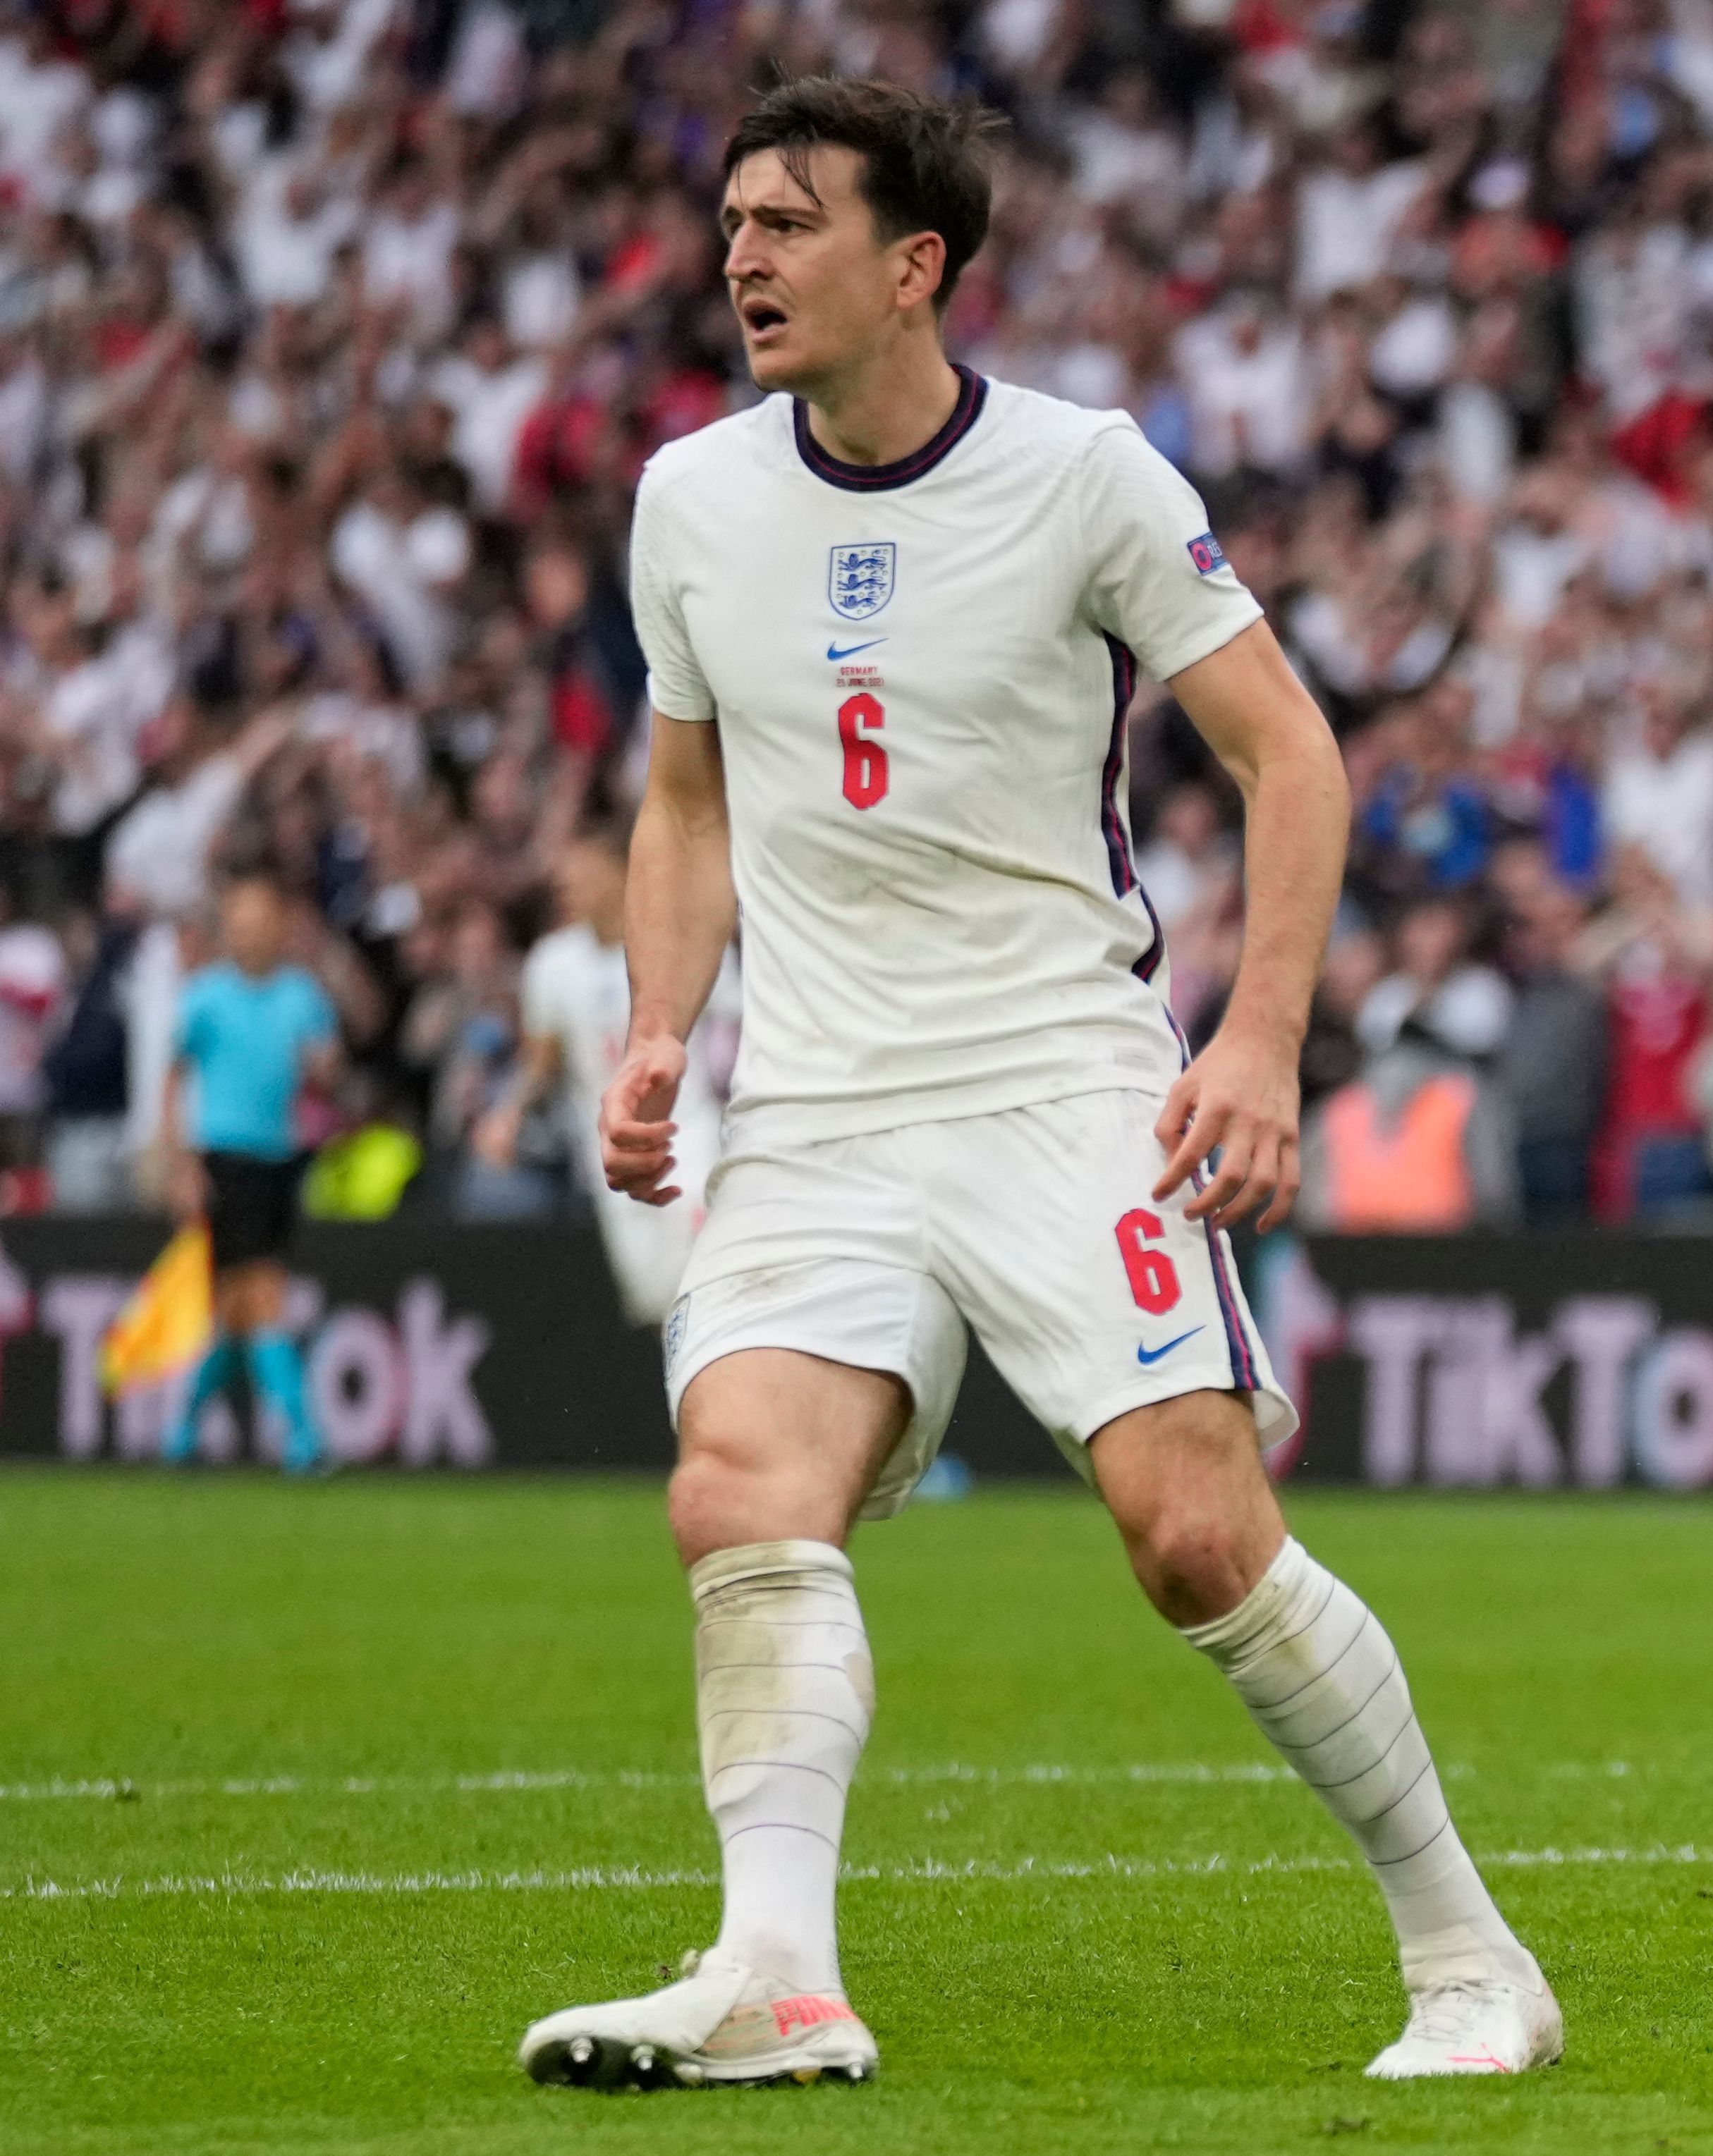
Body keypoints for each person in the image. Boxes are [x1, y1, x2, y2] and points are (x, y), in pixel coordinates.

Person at [516, 78, 1557, 2093]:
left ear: (914, 266)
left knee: (1190, 1533)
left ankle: (1470, 1954)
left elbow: (1292, 754)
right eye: (733, 219)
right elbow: (681, 795)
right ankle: (775, 1978)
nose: (740, 255)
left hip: (1059, 1078)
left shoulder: (1088, 475)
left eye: (790, 221)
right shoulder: (687, 500)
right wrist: (661, 1021)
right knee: (740, 1487)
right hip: (815, 1101)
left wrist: (1257, 1037)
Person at [488, 827, 738, 1323]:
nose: (570, 885)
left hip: (692, 1143)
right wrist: (508, 1115)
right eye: (565, 877)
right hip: (612, 1162)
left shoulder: (688, 943)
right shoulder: (552, 965)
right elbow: (543, 1061)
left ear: (625, 871)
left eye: (584, 871)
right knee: (656, 1303)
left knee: (711, 1287)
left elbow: (735, 1040)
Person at [160, 871, 339, 1473]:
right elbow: (174, 1078)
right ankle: (302, 1433)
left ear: (280, 929)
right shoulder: (205, 996)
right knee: (262, 1293)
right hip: (225, 1158)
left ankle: (184, 1425)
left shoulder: (301, 996)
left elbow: (327, 1077)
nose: (249, 935)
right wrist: (180, 1161)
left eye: (259, 922)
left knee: (233, 1308)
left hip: (281, 1159)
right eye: (239, 924)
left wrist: (320, 1070)